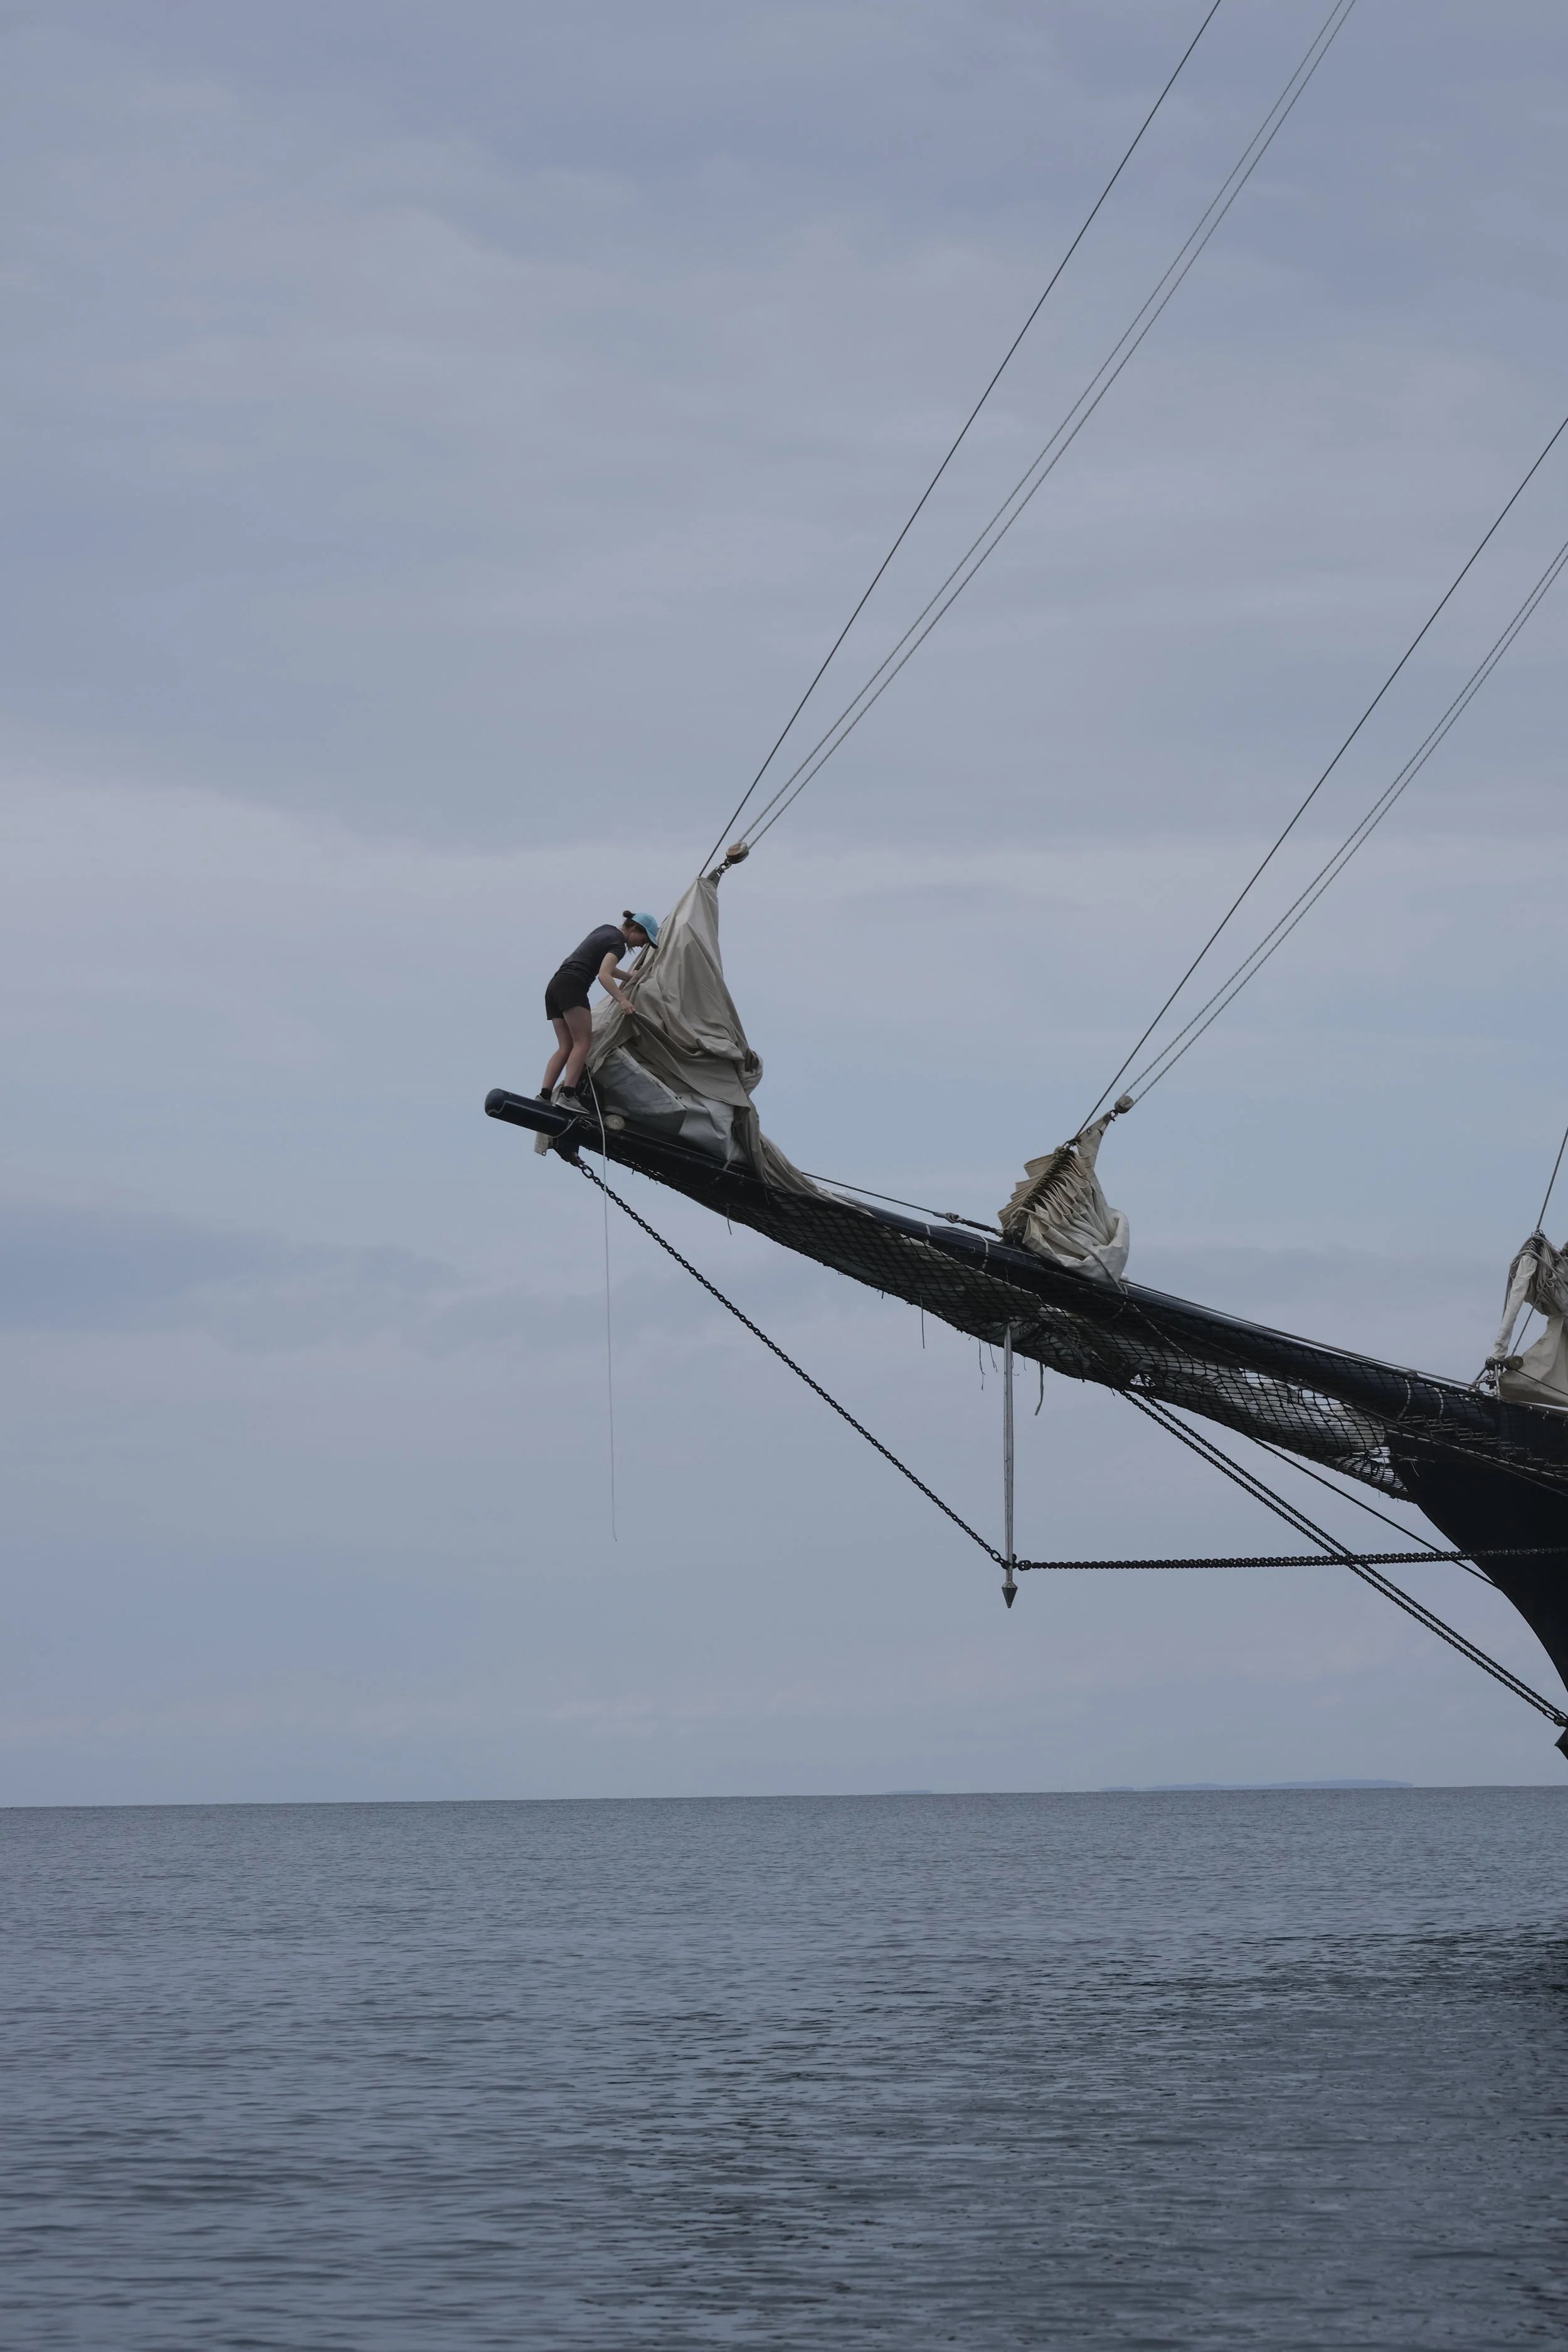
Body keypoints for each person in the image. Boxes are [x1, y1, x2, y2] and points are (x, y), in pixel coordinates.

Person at [540, 909, 660, 1105]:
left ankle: (544, 1096)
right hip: (573, 986)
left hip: (556, 986)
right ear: (636, 929)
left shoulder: (605, 931)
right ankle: (568, 1096)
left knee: (566, 1046)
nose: (641, 945)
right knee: (583, 1043)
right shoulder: (619, 945)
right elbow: (604, 975)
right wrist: (623, 1000)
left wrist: (631, 978)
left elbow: (605, 967)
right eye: (644, 939)